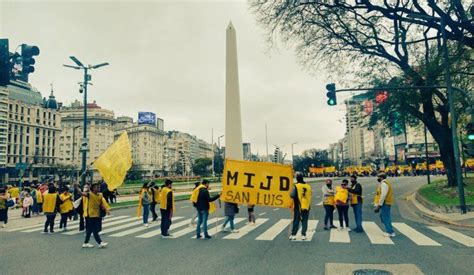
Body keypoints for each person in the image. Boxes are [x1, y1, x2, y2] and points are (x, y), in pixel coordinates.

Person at [82, 182, 111, 248]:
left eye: (99, 187)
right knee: (95, 230)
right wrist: (77, 188)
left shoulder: (100, 195)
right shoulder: (89, 194)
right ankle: (100, 242)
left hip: (97, 214)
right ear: (92, 188)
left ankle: (85, 243)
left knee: (89, 230)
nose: (99, 188)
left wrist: (107, 210)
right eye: (97, 187)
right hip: (90, 215)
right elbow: (82, 193)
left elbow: (102, 203)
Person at [289, 173, 312, 241]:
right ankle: (303, 235)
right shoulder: (308, 186)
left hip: (298, 206)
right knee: (304, 221)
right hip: (306, 206)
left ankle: (293, 235)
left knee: (296, 220)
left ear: (297, 179)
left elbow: (292, 195)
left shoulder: (296, 186)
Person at [374, 172, 395, 237]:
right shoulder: (384, 183)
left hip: (385, 203)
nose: (378, 178)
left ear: (382, 177)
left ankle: (390, 231)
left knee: (386, 217)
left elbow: (383, 195)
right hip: (385, 202)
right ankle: (389, 229)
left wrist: (379, 205)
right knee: (383, 216)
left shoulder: (384, 184)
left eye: (379, 177)